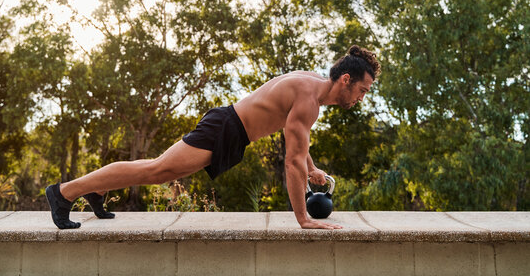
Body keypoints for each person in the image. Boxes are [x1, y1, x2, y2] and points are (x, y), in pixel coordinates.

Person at [46, 45, 380, 230]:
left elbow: (299, 143)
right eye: (362, 90)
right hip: (226, 128)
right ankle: (64, 193)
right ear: (346, 79)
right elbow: (292, 161)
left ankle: (97, 187)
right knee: (157, 170)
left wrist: (312, 167)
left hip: (229, 127)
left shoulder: (312, 86)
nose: (361, 98)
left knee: (157, 168)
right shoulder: (309, 100)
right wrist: (304, 219)